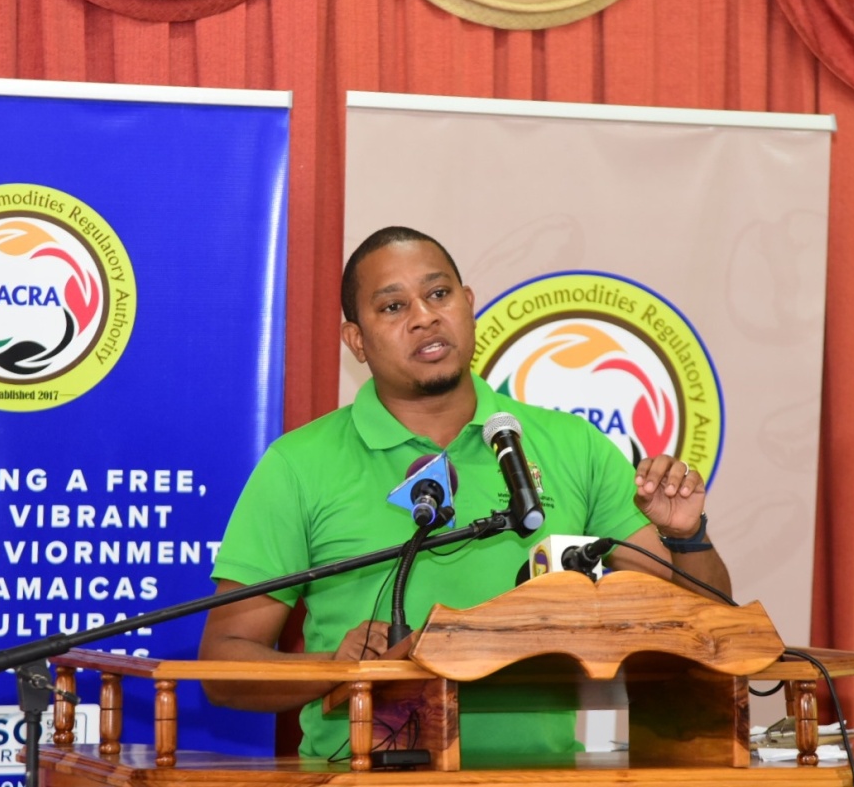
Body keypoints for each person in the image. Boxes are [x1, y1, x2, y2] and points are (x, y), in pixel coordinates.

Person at [198, 225, 732, 761]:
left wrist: (686, 537)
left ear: (468, 303)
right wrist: (337, 668)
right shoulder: (299, 464)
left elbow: (702, 624)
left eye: (438, 294)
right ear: (356, 340)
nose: (424, 316)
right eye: (392, 307)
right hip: (364, 775)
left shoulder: (575, 446)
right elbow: (223, 664)